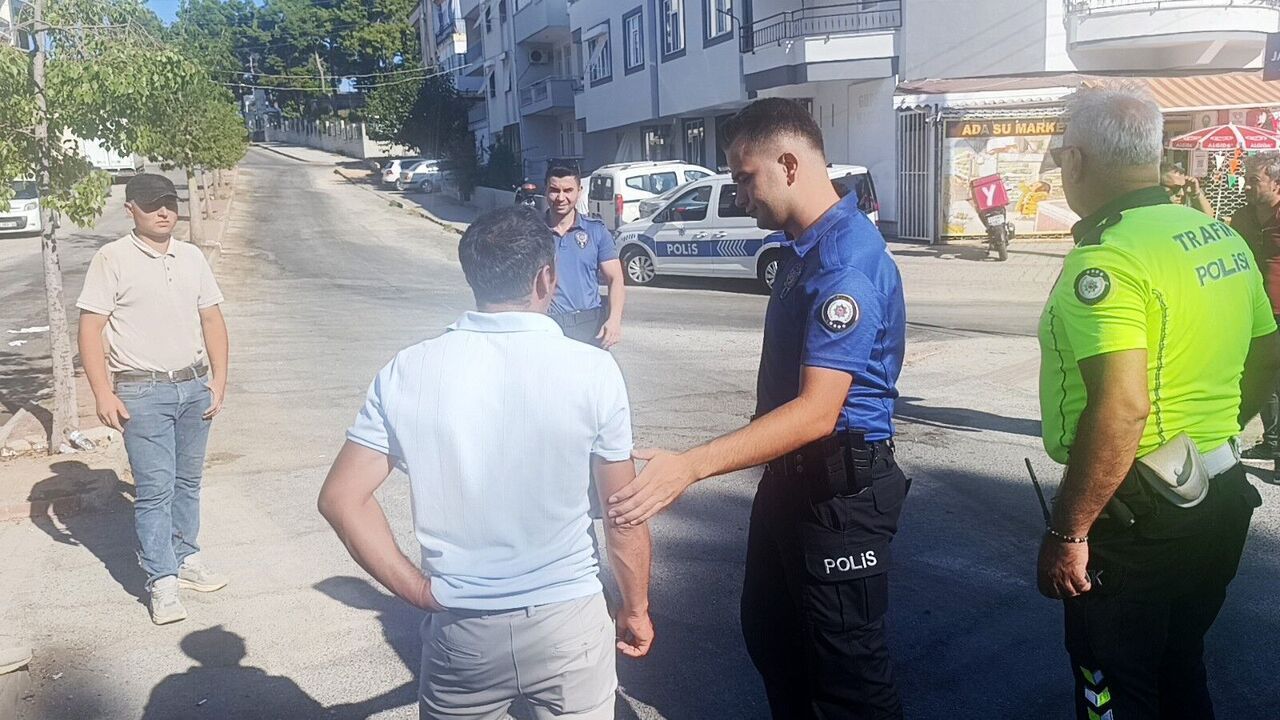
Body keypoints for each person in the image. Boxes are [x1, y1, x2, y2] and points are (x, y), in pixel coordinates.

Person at [607, 98, 909, 718]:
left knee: (846, 680)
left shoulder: (845, 262)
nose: (740, 196)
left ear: (789, 164)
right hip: (790, 483)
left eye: (745, 178)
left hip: (838, 497)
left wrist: (689, 466)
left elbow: (817, 412)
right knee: (774, 639)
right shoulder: (803, 247)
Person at [318, 207, 654, 720]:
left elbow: (341, 499)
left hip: (462, 631)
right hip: (567, 619)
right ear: (546, 277)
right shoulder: (593, 370)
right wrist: (635, 608)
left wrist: (416, 589)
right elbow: (622, 513)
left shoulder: (408, 370)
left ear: (473, 276)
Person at [1038, 86, 1279, 720]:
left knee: (1112, 687)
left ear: (1077, 161)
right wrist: (1221, 425)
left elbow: (1122, 408)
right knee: (1180, 666)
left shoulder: (1107, 258)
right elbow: (1267, 351)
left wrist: (1069, 531)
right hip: (1220, 495)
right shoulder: (1220, 236)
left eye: (1061, 156)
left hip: (1138, 517)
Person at [77, 173, 230, 626]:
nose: (163, 212)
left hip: (193, 386)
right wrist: (102, 392)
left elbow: (212, 319)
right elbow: (90, 328)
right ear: (131, 210)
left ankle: (186, 557)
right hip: (141, 392)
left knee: (187, 482)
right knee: (155, 489)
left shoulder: (192, 256)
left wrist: (219, 381)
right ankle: (162, 581)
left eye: (169, 203)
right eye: (151, 204)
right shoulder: (112, 258)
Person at [544, 165, 626, 349]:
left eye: (568, 190)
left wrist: (614, 320)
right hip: (548, 325)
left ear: (579, 191)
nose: (561, 198)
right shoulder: (532, 232)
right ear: (546, 190)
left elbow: (615, 279)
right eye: (555, 190)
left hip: (589, 324)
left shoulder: (596, 231)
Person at [1233, 151, 1280, 461]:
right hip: (1254, 310)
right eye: (1245, 180)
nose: (1246, 187)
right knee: (1262, 377)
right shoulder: (1242, 216)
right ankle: (1272, 440)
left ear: (1276, 183)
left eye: (1254, 180)